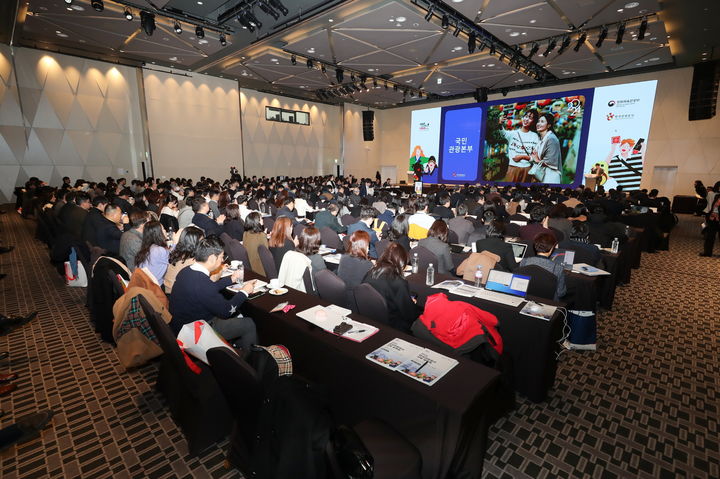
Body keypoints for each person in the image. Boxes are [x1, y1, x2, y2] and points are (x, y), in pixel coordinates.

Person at [169, 236, 258, 351]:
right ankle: (249, 363)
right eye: (221, 257)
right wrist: (244, 292)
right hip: (198, 331)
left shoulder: (186, 271)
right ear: (212, 258)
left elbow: (206, 290)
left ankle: (235, 346)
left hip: (181, 324)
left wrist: (230, 279)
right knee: (248, 324)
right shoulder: (203, 284)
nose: (223, 260)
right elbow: (226, 311)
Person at [362, 242, 419, 332]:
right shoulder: (399, 283)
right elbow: (409, 315)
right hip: (392, 325)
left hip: (369, 317)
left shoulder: (371, 272)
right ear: (401, 261)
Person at [519, 232, 566, 300]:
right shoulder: (558, 268)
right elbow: (561, 292)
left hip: (526, 298)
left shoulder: (524, 261)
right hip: (549, 302)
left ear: (535, 246)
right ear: (552, 248)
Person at [500, 109, 539, 183]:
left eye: (530, 118)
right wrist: (500, 124)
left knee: (523, 191)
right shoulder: (513, 134)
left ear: (533, 121)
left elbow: (535, 157)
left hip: (527, 169)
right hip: (513, 168)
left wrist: (523, 157)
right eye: (526, 116)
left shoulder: (535, 136)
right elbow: (503, 133)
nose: (527, 119)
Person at [164, 226, 204, 294]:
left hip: (168, 290)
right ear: (194, 243)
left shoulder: (178, 253)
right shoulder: (191, 261)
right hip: (176, 294)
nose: (203, 244)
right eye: (201, 241)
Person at [135, 221, 170, 285]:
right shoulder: (159, 250)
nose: (165, 231)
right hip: (156, 287)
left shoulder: (147, 247)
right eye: (163, 229)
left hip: (144, 285)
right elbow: (173, 261)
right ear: (158, 233)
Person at [531, 113, 562, 184]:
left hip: (550, 176)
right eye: (538, 121)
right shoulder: (541, 139)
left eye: (542, 122)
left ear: (549, 125)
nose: (538, 124)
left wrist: (536, 159)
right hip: (542, 174)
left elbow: (550, 161)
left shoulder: (551, 139)